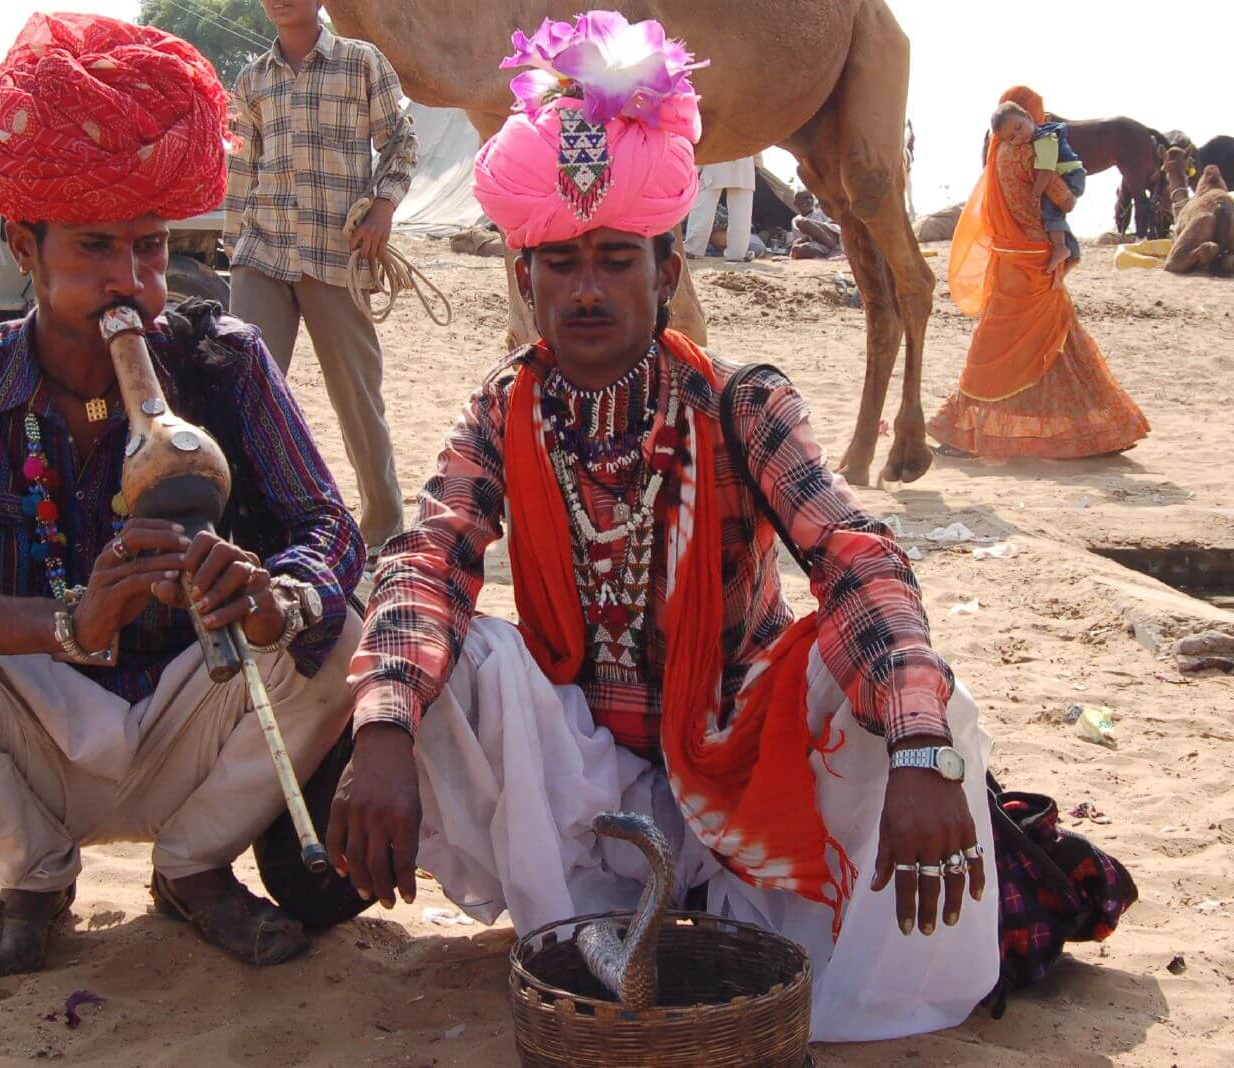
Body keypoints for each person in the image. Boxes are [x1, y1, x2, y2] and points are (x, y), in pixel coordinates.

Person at [327, 12, 1000, 1042]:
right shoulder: (501, 411)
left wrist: (919, 751)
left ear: (666, 269)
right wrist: (380, 727)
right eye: (560, 263)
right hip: (585, 776)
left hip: (739, 761)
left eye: (614, 259)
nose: (586, 289)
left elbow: (857, 560)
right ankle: (597, 906)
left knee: (913, 697)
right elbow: (430, 557)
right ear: (523, 279)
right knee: (432, 659)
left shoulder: (743, 406)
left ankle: (791, 919)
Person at [0, 13, 365, 978]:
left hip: (194, 709)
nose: (129, 283)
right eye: (94, 249)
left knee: (339, 635)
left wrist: (272, 597)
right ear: (23, 246)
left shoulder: (223, 359)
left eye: (150, 249)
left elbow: (325, 524)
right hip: (42, 713)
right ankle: (34, 882)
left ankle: (195, 871)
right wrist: (71, 623)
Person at [226, 0, 419, 561]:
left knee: (357, 396)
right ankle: (249, 527)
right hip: (262, 251)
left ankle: (382, 527)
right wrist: (233, 242)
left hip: (337, 253)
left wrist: (384, 206)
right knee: (245, 389)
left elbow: (401, 140)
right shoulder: (251, 79)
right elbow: (243, 169)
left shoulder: (361, 63)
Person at [930, 86, 1149, 460]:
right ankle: (1094, 432)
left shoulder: (997, 155)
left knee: (999, 343)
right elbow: (1063, 198)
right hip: (1037, 261)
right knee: (1057, 343)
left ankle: (962, 431)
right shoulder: (1032, 152)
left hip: (1008, 259)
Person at [990, 101, 1086, 272]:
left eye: (1019, 128)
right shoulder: (1029, 148)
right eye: (1012, 137)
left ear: (1028, 116)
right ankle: (1068, 251)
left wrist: (1035, 194)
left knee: (1051, 210)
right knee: (1054, 212)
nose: (1019, 137)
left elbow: (1046, 172)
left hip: (1071, 177)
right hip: (1066, 178)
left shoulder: (1044, 140)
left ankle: (1061, 248)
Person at [684, 155, 756, 260]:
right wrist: (757, 162)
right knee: (741, 214)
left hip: (715, 162)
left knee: (702, 209)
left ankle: (693, 249)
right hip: (744, 164)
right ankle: (737, 253)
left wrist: (697, 166)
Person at [790, 189, 843, 259]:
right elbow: (798, 239)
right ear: (796, 203)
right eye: (805, 198)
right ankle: (827, 255)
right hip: (817, 245)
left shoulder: (821, 212)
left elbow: (836, 223)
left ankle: (836, 249)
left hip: (833, 239)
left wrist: (814, 228)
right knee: (796, 250)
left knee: (803, 223)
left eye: (811, 198)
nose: (809, 201)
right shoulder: (795, 220)